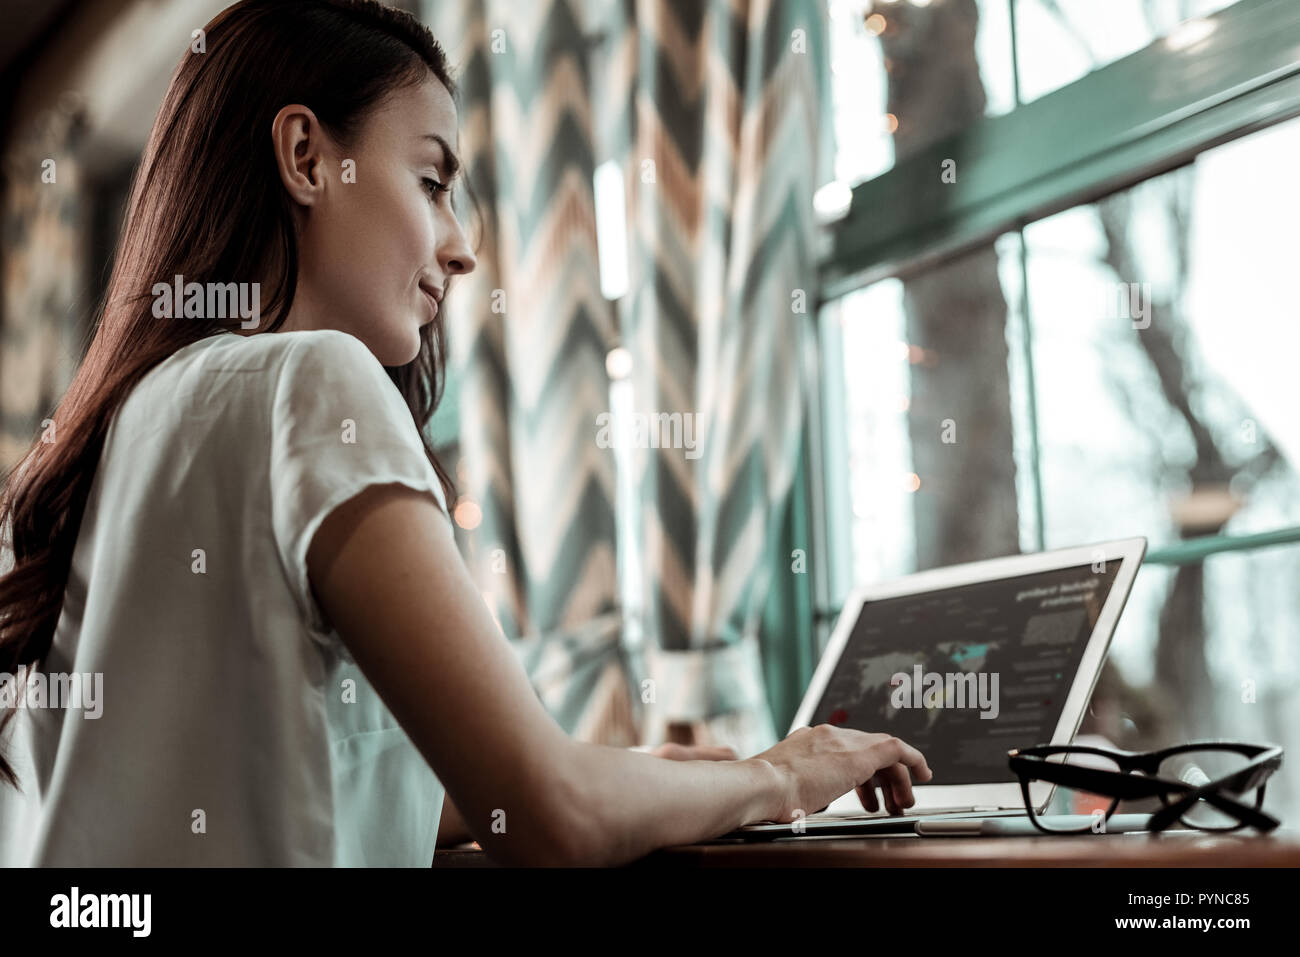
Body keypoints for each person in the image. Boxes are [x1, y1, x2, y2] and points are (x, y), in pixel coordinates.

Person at [0, 0, 930, 867]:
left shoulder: (109, 434)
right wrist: (784, 776)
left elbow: (298, 769)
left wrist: (662, 773)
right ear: (307, 157)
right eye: (432, 180)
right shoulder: (312, 380)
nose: (462, 243)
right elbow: (545, 814)